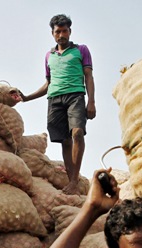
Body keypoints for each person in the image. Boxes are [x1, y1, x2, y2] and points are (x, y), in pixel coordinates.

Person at [21, 14, 96, 195]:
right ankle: (72, 183)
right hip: (55, 99)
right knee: (64, 141)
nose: (61, 34)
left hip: (75, 96)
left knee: (77, 133)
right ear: (53, 34)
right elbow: (48, 84)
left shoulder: (81, 50)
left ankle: (74, 180)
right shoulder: (49, 56)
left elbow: (88, 76)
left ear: (70, 31)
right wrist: (26, 98)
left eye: (64, 31)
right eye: (57, 31)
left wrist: (91, 102)